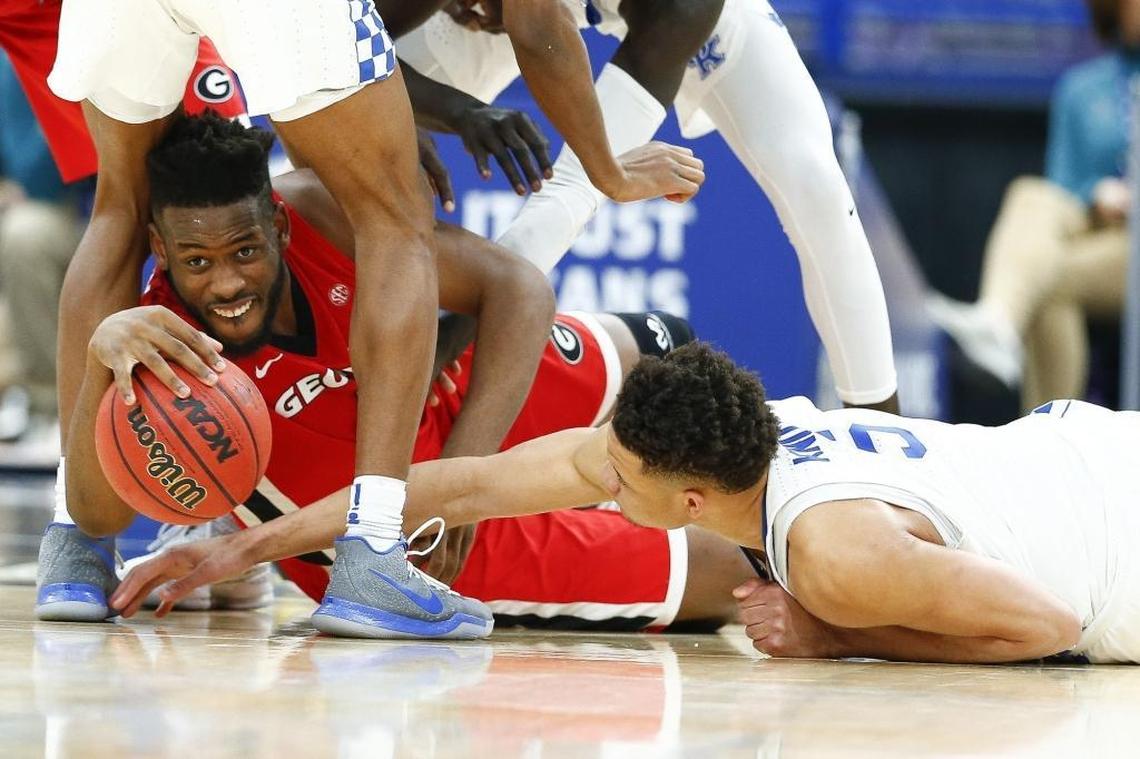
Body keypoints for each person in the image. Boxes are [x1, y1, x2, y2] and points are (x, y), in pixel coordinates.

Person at [38, 0, 702, 634]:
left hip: (428, 429)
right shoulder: (182, 317)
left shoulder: (295, 217)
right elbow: (537, 22)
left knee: (117, 202)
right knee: (391, 212)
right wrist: (603, 172)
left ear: (275, 228)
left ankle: (74, 546)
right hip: (330, 482)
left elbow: (516, 288)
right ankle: (375, 547)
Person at [395, 0, 900, 412]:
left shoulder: (684, 9)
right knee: (358, 119)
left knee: (819, 195)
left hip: (646, 16)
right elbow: (346, 63)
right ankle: (346, 341)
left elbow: (573, 189)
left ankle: (884, 443)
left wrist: (449, 339)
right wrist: (452, 110)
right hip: (527, 14)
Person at [927, 0, 1137, 412]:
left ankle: (1051, 435)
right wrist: (1098, 193)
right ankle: (1000, 320)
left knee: (1045, 279)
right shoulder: (1082, 88)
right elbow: (1063, 185)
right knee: (1031, 195)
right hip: (1096, 228)